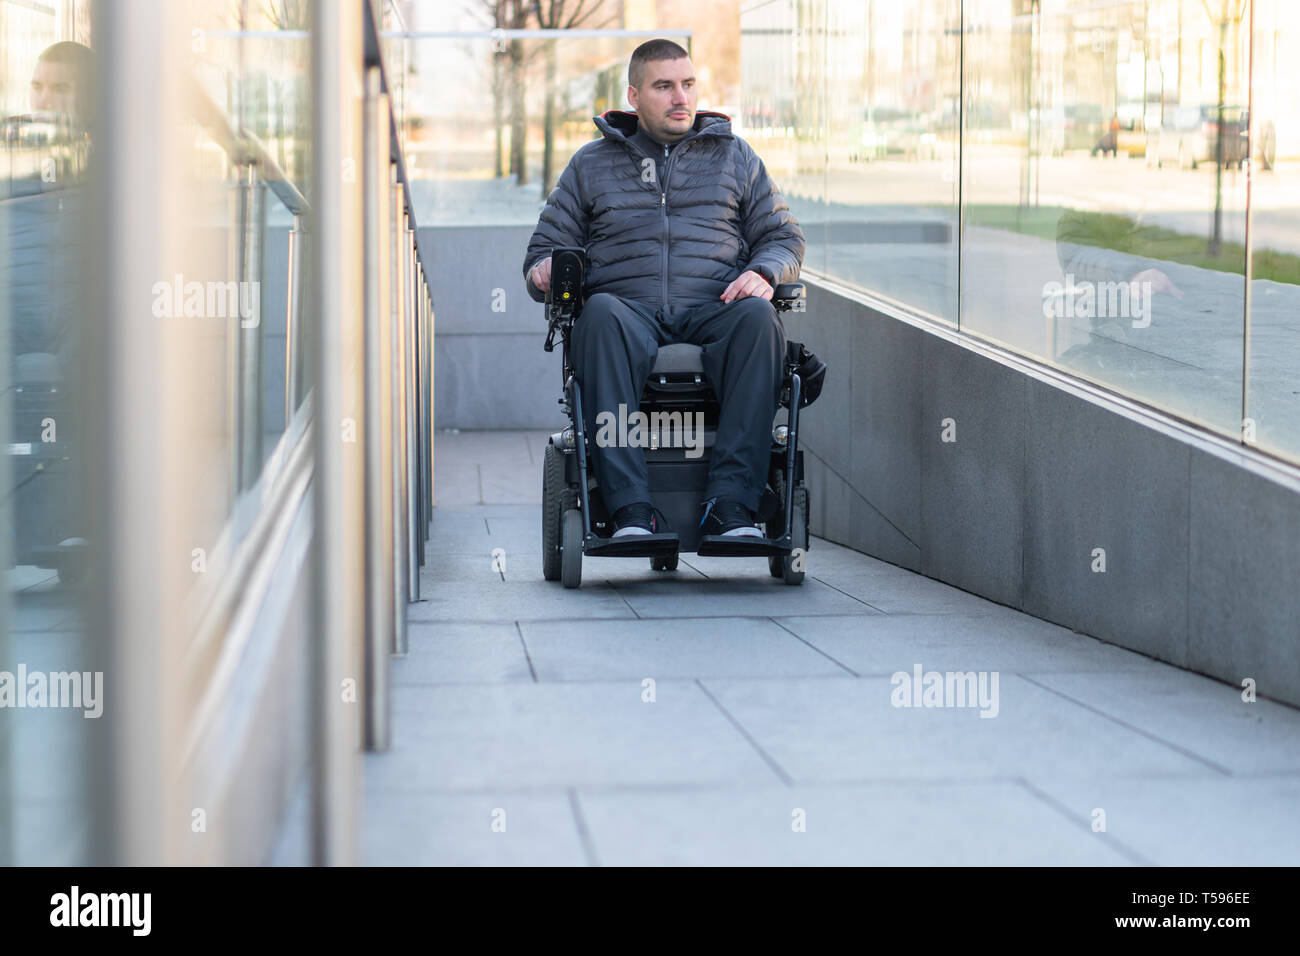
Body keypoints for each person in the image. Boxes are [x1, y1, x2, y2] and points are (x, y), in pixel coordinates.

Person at [522, 39, 805, 539]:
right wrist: (545, 269)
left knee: (760, 319)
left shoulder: (735, 158)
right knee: (602, 314)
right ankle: (631, 510)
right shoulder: (591, 165)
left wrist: (764, 272)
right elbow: (543, 250)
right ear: (634, 95)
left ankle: (731, 506)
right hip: (627, 310)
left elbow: (783, 236)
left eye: (688, 84)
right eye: (664, 86)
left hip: (716, 305)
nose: (681, 97)